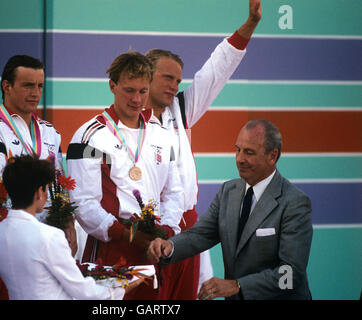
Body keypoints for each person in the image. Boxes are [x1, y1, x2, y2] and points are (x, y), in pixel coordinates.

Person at [144, 0, 262, 300]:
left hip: (186, 228)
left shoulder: (180, 110)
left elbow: (216, 70)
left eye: (178, 79)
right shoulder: (126, 123)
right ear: (145, 76)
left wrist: (248, 26)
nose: (174, 86)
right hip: (146, 229)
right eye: (167, 78)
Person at [147, 119, 313, 300]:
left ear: (273, 156)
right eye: (238, 150)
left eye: (249, 152)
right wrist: (170, 247)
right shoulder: (228, 191)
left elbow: (290, 276)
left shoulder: (295, 203)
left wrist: (238, 286)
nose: (240, 159)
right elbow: (200, 235)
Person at [66, 51, 184, 299]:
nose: (137, 99)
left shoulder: (162, 135)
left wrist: (166, 234)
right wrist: (132, 236)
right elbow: (83, 203)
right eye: (129, 90)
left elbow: (174, 193)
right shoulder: (89, 135)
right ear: (113, 86)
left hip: (153, 249)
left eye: (143, 91)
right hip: (110, 249)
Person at [0, 55, 77, 298]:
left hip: (46, 239)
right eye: (28, 85)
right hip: (11, 241)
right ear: (6, 86)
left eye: (39, 85)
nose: (35, 93)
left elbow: (59, 181)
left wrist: (68, 221)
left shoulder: (50, 132)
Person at [0, 155, 140, 299]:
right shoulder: (49, 236)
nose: (47, 195)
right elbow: (83, 292)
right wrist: (121, 289)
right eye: (46, 188)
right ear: (40, 192)